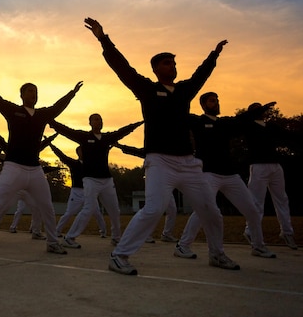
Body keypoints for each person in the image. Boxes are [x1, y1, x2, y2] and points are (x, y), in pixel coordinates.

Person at [84, 17, 238, 275]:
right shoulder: (146, 88)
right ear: (156, 69)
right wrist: (103, 38)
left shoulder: (184, 91)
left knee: (211, 210)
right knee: (154, 209)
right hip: (160, 161)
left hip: (188, 163)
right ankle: (119, 255)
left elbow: (202, 74)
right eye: (167, 63)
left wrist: (214, 55)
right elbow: (122, 68)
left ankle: (217, 254)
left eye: (175, 63)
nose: (173, 66)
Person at [0, 56, 82, 258]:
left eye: (36, 91)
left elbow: (58, 107)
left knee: (47, 207)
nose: (33, 93)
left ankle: (52, 242)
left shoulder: (42, 114)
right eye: (29, 90)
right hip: (13, 167)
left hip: (35, 169)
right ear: (22, 95)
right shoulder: (12, 110)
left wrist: (72, 93)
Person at [174, 92, 277, 259]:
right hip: (208, 174)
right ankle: (183, 245)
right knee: (204, 210)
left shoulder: (224, 123)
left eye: (217, 100)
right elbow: (177, 114)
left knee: (252, 210)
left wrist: (261, 109)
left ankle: (258, 246)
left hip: (230, 175)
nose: (216, 103)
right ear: (204, 105)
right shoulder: (198, 122)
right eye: (212, 101)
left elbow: (241, 119)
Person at [49, 114, 142, 248]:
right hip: (90, 180)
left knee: (115, 211)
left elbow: (121, 132)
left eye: (101, 120)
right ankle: (69, 238)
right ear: (90, 123)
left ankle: (116, 238)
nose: (99, 122)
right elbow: (67, 131)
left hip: (107, 180)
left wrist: (135, 125)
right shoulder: (84, 137)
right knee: (89, 208)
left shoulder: (106, 138)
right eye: (96, 119)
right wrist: (52, 122)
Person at [0, 122, 57, 239]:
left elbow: (44, 143)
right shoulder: (11, 148)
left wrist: (55, 135)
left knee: (37, 208)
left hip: (28, 187)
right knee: (2, 207)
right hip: (14, 184)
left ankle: (36, 231)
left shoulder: (34, 148)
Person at [240, 101, 299, 250]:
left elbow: (288, 135)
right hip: (258, 166)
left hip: (275, 165)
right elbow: (242, 119)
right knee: (256, 201)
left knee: (282, 199)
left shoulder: (271, 127)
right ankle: (250, 231)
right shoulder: (249, 126)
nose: (259, 111)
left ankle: (287, 232)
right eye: (256, 109)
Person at [112, 141, 179, 243]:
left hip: (166, 180)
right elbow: (138, 151)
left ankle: (167, 234)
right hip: (153, 178)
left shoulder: (169, 149)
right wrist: (122, 147)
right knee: (153, 208)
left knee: (172, 209)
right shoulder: (152, 150)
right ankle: (145, 235)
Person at [48, 143, 108, 238]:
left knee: (97, 213)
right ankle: (57, 231)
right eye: (81, 151)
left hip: (89, 192)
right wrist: (51, 145)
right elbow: (62, 156)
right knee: (69, 213)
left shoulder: (91, 164)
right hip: (76, 193)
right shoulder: (74, 164)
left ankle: (103, 232)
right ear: (78, 153)